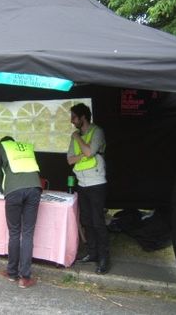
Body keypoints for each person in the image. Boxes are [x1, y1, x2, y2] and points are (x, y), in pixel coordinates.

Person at [0, 136, 42, 288]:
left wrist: (4, 190)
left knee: (14, 232)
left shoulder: (1, 148)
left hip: (13, 192)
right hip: (34, 189)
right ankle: (25, 278)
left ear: (4, 143)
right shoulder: (26, 147)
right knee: (27, 233)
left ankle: (12, 273)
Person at [67, 103, 110, 274]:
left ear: (83, 117)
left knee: (98, 221)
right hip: (82, 183)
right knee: (86, 220)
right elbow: (70, 160)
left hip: (97, 183)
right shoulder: (75, 136)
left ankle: (104, 258)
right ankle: (92, 253)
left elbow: (90, 152)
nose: (72, 121)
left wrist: (78, 139)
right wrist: (82, 153)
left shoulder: (97, 131)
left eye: (74, 117)